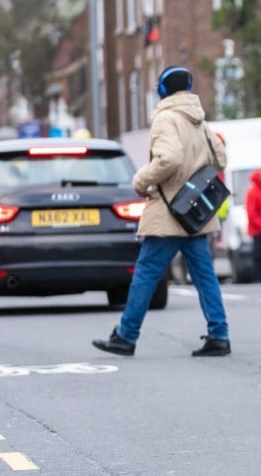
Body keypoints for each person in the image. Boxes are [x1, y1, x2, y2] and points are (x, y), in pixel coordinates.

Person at [92, 66, 232, 358]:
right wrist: (194, 180)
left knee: (146, 273)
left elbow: (169, 158)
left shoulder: (165, 118)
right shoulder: (200, 120)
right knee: (205, 275)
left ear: (164, 90)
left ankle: (126, 336)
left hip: (169, 212)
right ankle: (219, 335)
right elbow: (220, 158)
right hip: (196, 214)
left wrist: (141, 180)